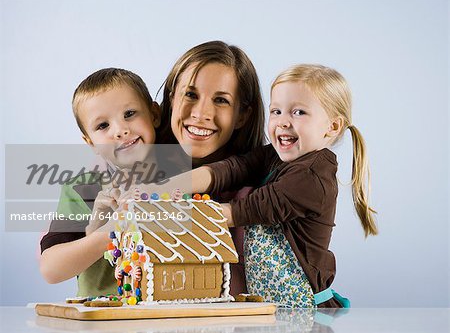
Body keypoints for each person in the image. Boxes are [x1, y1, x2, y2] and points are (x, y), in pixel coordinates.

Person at [142, 64, 378, 307]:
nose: (283, 122)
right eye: (276, 111)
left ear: (333, 126)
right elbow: (231, 169)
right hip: (269, 308)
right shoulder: (274, 155)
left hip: (305, 309)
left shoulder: (312, 176)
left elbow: (244, 211)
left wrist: (160, 213)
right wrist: (168, 185)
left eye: (298, 113)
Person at [156, 40, 266, 295]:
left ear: (242, 115)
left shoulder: (257, 193)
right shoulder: (126, 166)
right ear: (172, 97)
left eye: (221, 100)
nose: (201, 113)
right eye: (191, 95)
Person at [39, 68, 161, 296]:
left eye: (130, 113)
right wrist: (109, 231)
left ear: (154, 114)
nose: (121, 131)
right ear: (90, 142)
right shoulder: (83, 188)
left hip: (170, 315)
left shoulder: (182, 176)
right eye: (103, 126)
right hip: (103, 319)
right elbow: (50, 270)